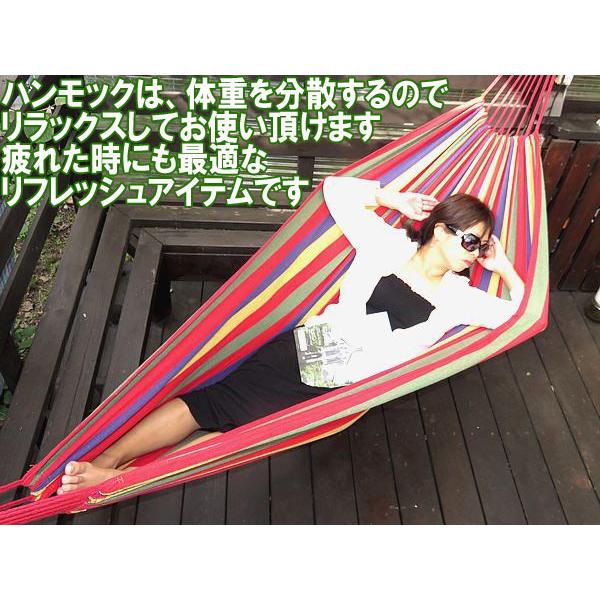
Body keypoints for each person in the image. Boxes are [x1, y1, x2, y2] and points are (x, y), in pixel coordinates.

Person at [56, 176, 524, 495]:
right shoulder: (388, 244)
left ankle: (118, 474)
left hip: (346, 387)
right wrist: (390, 199)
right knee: (214, 407)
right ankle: (110, 463)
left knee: (233, 434)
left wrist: (502, 267)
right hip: (317, 350)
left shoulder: (458, 297)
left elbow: (515, 315)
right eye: (470, 241)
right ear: (440, 230)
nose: (474, 253)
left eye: (480, 246)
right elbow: (335, 191)